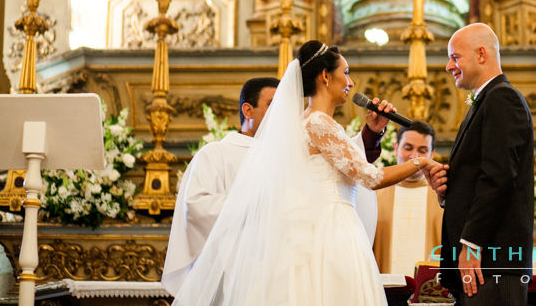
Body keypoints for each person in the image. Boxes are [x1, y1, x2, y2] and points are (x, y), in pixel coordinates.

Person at [171, 41, 443, 305]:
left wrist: (374, 129)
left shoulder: (307, 124)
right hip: (329, 233)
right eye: (345, 73)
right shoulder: (318, 123)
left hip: (316, 230)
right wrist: (422, 163)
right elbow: (370, 177)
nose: (351, 82)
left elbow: (345, 165)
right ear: (326, 76)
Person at [429, 23, 534, 305]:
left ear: (482, 54)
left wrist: (472, 245)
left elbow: (499, 178)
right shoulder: (485, 101)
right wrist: (445, 192)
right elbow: (479, 178)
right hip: (482, 266)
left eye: (455, 56)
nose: (448, 65)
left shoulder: (502, 98)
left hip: (492, 263)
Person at [162, 77, 279, 296]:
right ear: (248, 110)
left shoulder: (287, 158)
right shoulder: (216, 154)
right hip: (231, 272)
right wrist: (257, 205)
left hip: (279, 269)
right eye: (272, 104)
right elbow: (196, 206)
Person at [373, 120, 443, 276]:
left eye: (423, 150)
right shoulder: (376, 195)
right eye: (408, 148)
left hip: (429, 291)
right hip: (384, 289)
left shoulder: (442, 197)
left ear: (432, 155)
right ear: (396, 148)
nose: (414, 157)